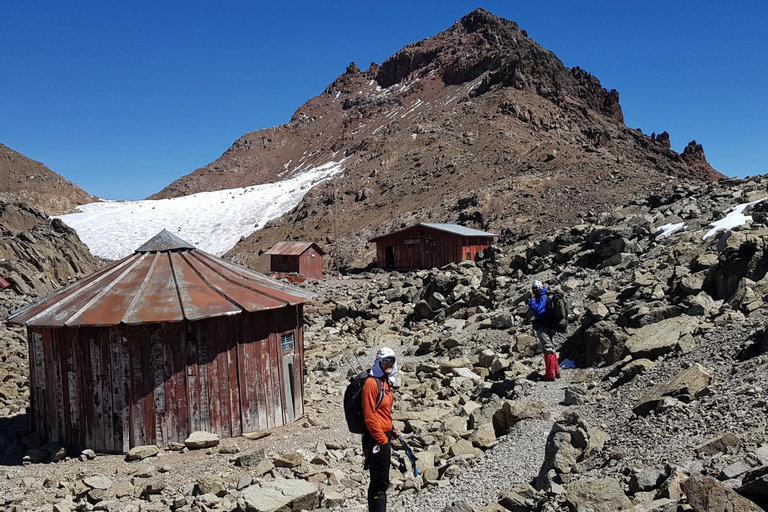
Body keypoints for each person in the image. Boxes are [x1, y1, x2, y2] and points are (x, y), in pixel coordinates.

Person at [362, 347, 401, 512]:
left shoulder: (385, 381)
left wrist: (391, 429)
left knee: (382, 480)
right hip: (376, 438)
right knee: (379, 482)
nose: (389, 364)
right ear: (378, 362)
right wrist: (382, 440)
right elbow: (369, 416)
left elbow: (382, 412)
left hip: (383, 435)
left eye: (391, 361)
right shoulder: (371, 384)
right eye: (385, 361)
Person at [527, 280, 561, 381]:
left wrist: (531, 301)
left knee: (548, 348)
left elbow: (538, 310)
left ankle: (550, 374)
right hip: (548, 325)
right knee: (550, 347)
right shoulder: (545, 296)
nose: (535, 291)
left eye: (536, 289)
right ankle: (556, 370)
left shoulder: (543, 298)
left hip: (543, 325)